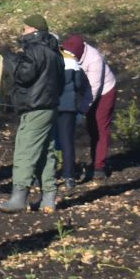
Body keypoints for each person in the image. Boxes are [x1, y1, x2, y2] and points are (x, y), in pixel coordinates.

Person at [0, 16, 64, 213]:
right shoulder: (55, 52)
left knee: (25, 149)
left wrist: (8, 56)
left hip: (35, 107)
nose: (22, 33)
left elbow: (24, 75)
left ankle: (19, 197)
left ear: (34, 30)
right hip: (50, 106)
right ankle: (49, 198)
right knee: (46, 151)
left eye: (25, 29)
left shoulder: (35, 49)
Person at [67, 34, 117, 182]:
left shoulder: (94, 59)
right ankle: (94, 159)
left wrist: (81, 111)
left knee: (100, 126)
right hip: (86, 90)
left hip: (104, 91)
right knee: (91, 127)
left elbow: (94, 89)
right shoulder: (68, 55)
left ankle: (99, 166)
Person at [55, 39, 90, 194]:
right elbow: (78, 84)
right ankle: (69, 177)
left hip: (51, 104)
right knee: (67, 142)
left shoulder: (47, 58)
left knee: (48, 141)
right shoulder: (71, 60)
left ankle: (46, 175)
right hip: (68, 106)